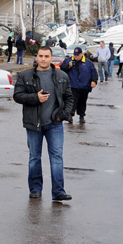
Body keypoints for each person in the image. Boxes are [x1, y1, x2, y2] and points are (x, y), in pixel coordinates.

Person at [13, 46, 74, 201]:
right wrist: (35, 98)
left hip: (54, 124)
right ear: (37, 57)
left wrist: (63, 115)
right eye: (41, 56)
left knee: (57, 157)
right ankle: (35, 189)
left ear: (51, 57)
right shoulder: (26, 75)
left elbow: (69, 98)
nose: (43, 59)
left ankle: (58, 191)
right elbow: (17, 96)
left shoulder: (61, 76)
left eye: (46, 56)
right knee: (34, 157)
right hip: (34, 124)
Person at [60, 47, 97, 124]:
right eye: (74, 55)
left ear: (81, 54)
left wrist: (94, 81)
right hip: (72, 85)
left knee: (82, 102)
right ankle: (70, 115)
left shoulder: (88, 63)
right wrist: (68, 66)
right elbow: (62, 68)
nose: (76, 56)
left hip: (84, 86)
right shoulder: (68, 60)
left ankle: (81, 116)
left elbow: (94, 73)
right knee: (72, 100)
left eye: (77, 55)